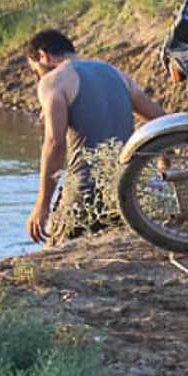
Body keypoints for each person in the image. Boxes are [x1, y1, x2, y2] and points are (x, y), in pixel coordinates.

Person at [24, 29, 165, 244]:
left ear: (44, 56)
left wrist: (42, 206)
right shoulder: (115, 73)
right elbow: (160, 120)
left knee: (56, 250)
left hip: (85, 194)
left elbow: (55, 144)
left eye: (36, 71)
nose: (38, 77)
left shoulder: (53, 81)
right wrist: (164, 166)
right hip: (129, 192)